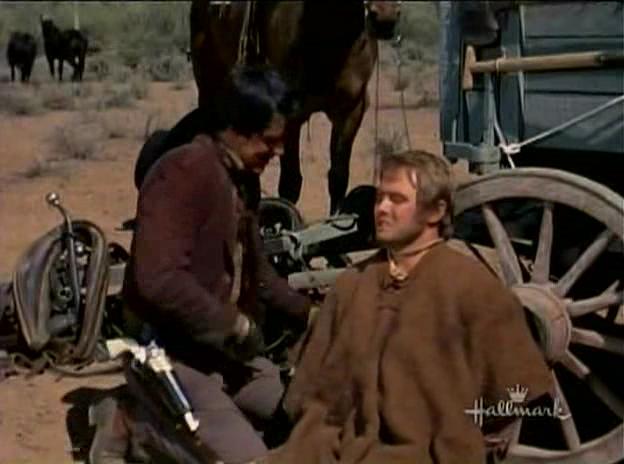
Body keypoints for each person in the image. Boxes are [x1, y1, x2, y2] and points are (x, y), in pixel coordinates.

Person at [268, 150, 553, 464]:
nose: (381, 208)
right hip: (336, 450)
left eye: (397, 199)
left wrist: (463, 433)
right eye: (379, 198)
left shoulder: (473, 288)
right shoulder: (352, 284)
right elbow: (308, 391)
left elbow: (515, 391)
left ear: (436, 211)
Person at [89, 65, 311, 464]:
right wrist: (234, 324)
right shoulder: (183, 171)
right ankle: (131, 422)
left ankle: (204, 414)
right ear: (235, 129)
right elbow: (158, 280)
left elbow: (259, 275)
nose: (278, 152)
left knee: (307, 418)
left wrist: (309, 314)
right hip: (171, 351)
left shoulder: (241, 177)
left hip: (224, 355)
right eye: (270, 140)